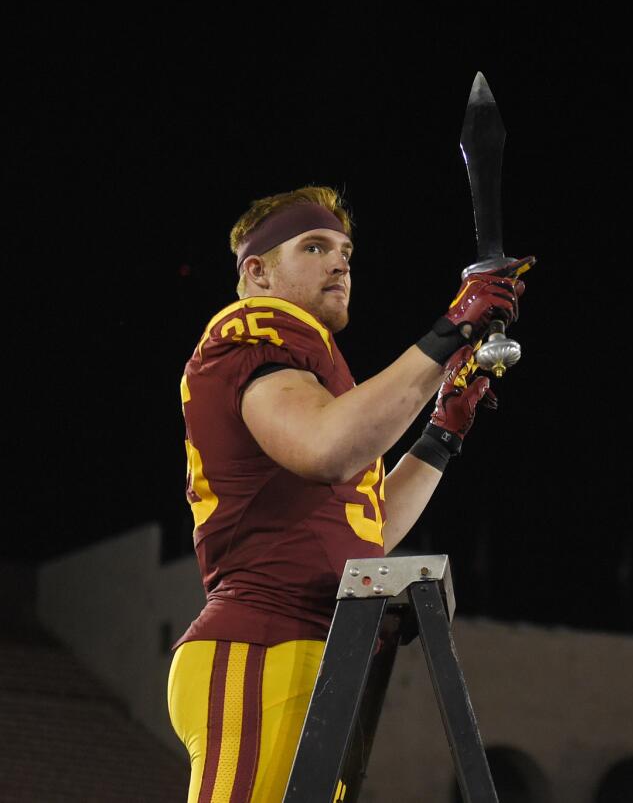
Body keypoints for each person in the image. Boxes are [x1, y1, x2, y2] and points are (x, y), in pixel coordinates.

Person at [166, 185, 527, 803]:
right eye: (314, 246)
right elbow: (328, 446)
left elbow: (365, 532)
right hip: (260, 645)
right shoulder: (251, 334)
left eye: (346, 252)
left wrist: (442, 435)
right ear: (256, 272)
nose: (340, 264)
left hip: (307, 650)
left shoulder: (312, 363)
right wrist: (449, 333)